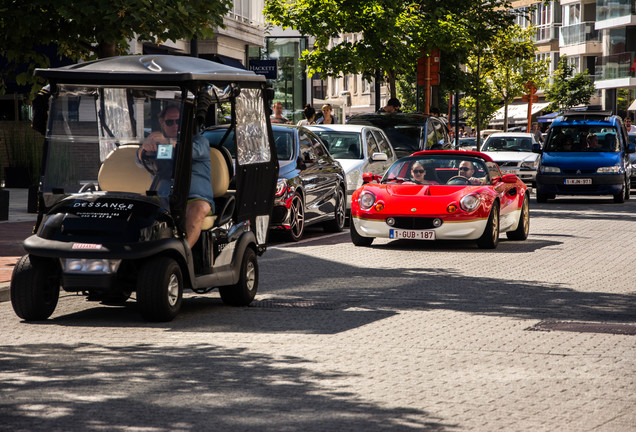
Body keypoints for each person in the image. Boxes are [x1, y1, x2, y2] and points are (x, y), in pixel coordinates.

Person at [138, 105, 214, 248]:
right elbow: (140, 160)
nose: (174, 126)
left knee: (197, 210)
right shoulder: (161, 145)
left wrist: (165, 142)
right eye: (169, 122)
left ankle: (183, 253)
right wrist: (145, 148)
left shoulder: (199, 141)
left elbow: (188, 151)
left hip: (194, 197)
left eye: (178, 122)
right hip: (164, 197)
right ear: (162, 124)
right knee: (138, 209)